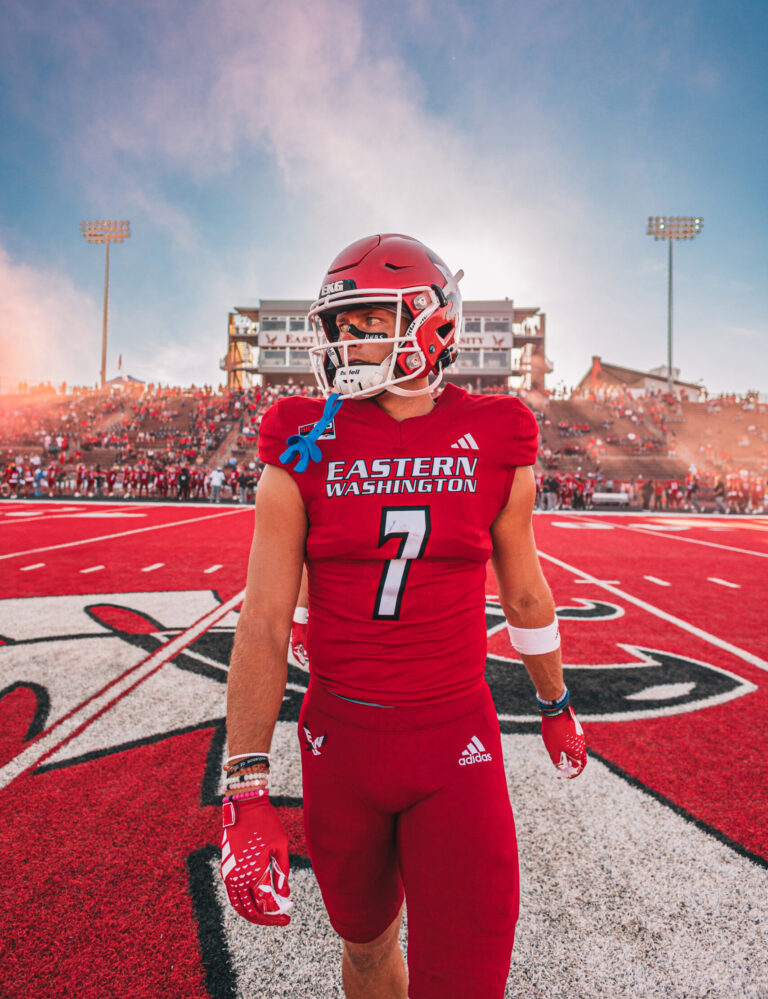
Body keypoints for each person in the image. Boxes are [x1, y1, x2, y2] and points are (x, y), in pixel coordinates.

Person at [222, 234, 586, 999]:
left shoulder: (496, 431)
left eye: (368, 322)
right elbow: (261, 620)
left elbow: (524, 592)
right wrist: (246, 784)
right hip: (339, 745)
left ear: (428, 323)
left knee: (468, 980)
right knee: (364, 950)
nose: (347, 342)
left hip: (455, 742)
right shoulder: (300, 434)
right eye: (341, 325)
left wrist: (555, 701)